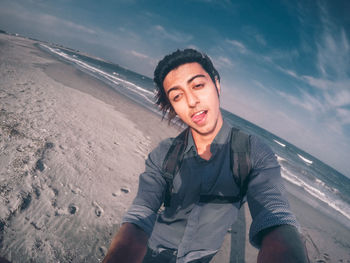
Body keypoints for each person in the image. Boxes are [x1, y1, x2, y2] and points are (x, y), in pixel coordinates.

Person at [103, 49, 309, 263]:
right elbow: (141, 211)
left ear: (217, 84)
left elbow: (275, 214)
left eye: (198, 85)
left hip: (200, 258)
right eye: (177, 96)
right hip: (152, 251)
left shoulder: (253, 152)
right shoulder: (164, 154)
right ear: (173, 107)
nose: (191, 101)